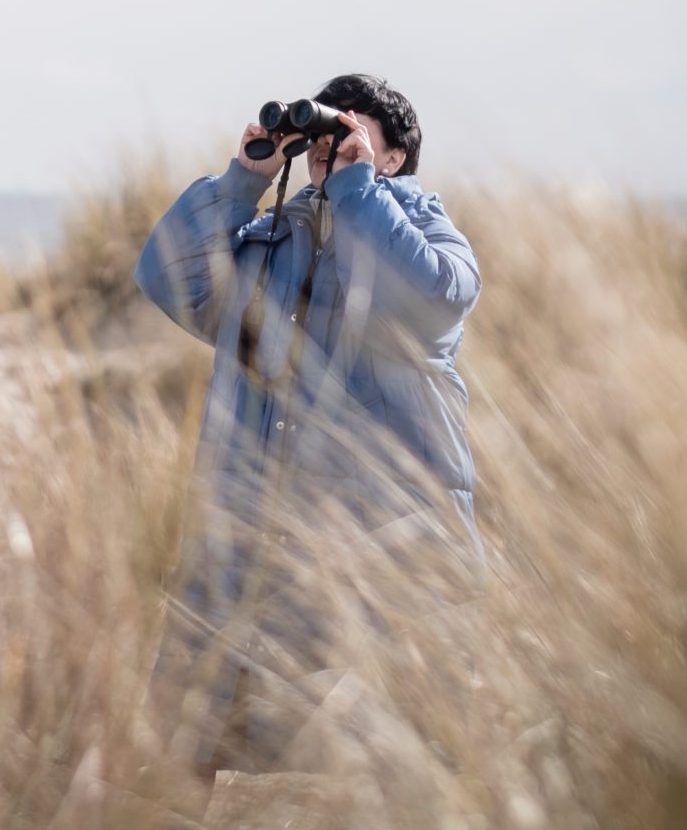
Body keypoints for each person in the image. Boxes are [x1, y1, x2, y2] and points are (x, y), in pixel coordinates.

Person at [133, 72, 481, 772]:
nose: (329, 146)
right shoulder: (267, 245)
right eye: (326, 130)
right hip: (252, 558)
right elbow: (167, 278)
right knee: (189, 765)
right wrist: (241, 181)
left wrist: (357, 193)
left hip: (381, 569)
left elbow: (429, 297)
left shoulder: (429, 236)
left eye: (352, 132)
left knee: (376, 779)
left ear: (391, 159)